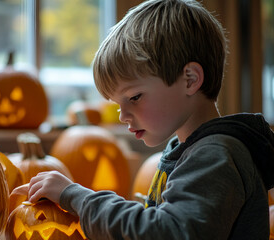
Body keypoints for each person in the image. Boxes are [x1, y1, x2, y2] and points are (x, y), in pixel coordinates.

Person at [18, 0, 274, 239]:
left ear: (190, 80)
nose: (122, 115)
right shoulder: (188, 151)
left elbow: (164, 231)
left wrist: (75, 197)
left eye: (134, 97)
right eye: (118, 104)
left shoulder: (215, 157)